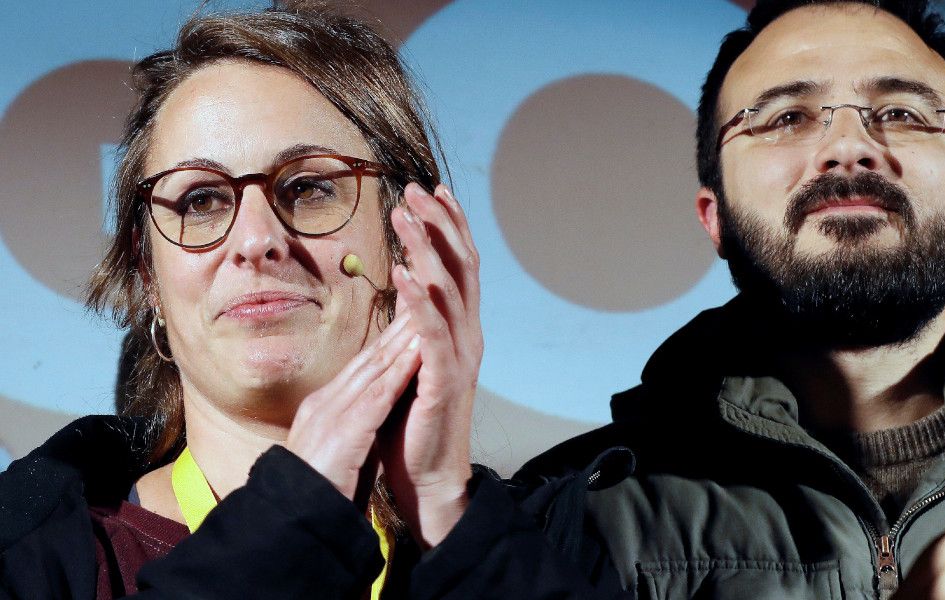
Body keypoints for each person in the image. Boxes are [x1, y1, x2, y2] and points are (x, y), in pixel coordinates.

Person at [0, 4, 619, 599]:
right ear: (148, 273)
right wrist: (297, 522)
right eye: (200, 200)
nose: (256, 240)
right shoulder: (33, 562)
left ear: (406, 241)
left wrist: (448, 512)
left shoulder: (565, 551)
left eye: (309, 187)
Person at [513, 1, 945, 598]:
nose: (849, 147)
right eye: (787, 117)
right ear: (715, 219)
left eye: (901, 113)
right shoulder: (567, 521)